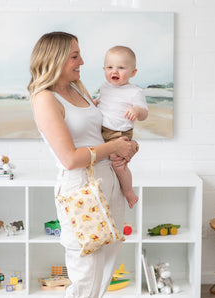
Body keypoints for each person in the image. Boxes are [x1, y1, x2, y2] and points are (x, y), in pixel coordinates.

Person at [28, 32, 138, 298]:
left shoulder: (78, 90)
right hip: (80, 186)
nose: (82, 62)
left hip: (108, 178)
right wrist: (112, 148)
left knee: (106, 268)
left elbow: (99, 134)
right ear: (55, 59)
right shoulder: (45, 98)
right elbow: (69, 158)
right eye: (75, 56)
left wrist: (127, 146)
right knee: (86, 272)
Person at [95, 45, 148, 209]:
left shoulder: (134, 91)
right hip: (100, 129)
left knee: (119, 165)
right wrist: (95, 103)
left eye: (121, 67)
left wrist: (136, 110)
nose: (114, 71)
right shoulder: (105, 87)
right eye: (110, 67)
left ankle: (128, 191)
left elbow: (145, 113)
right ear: (104, 69)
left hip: (119, 132)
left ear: (133, 72)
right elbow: (102, 101)